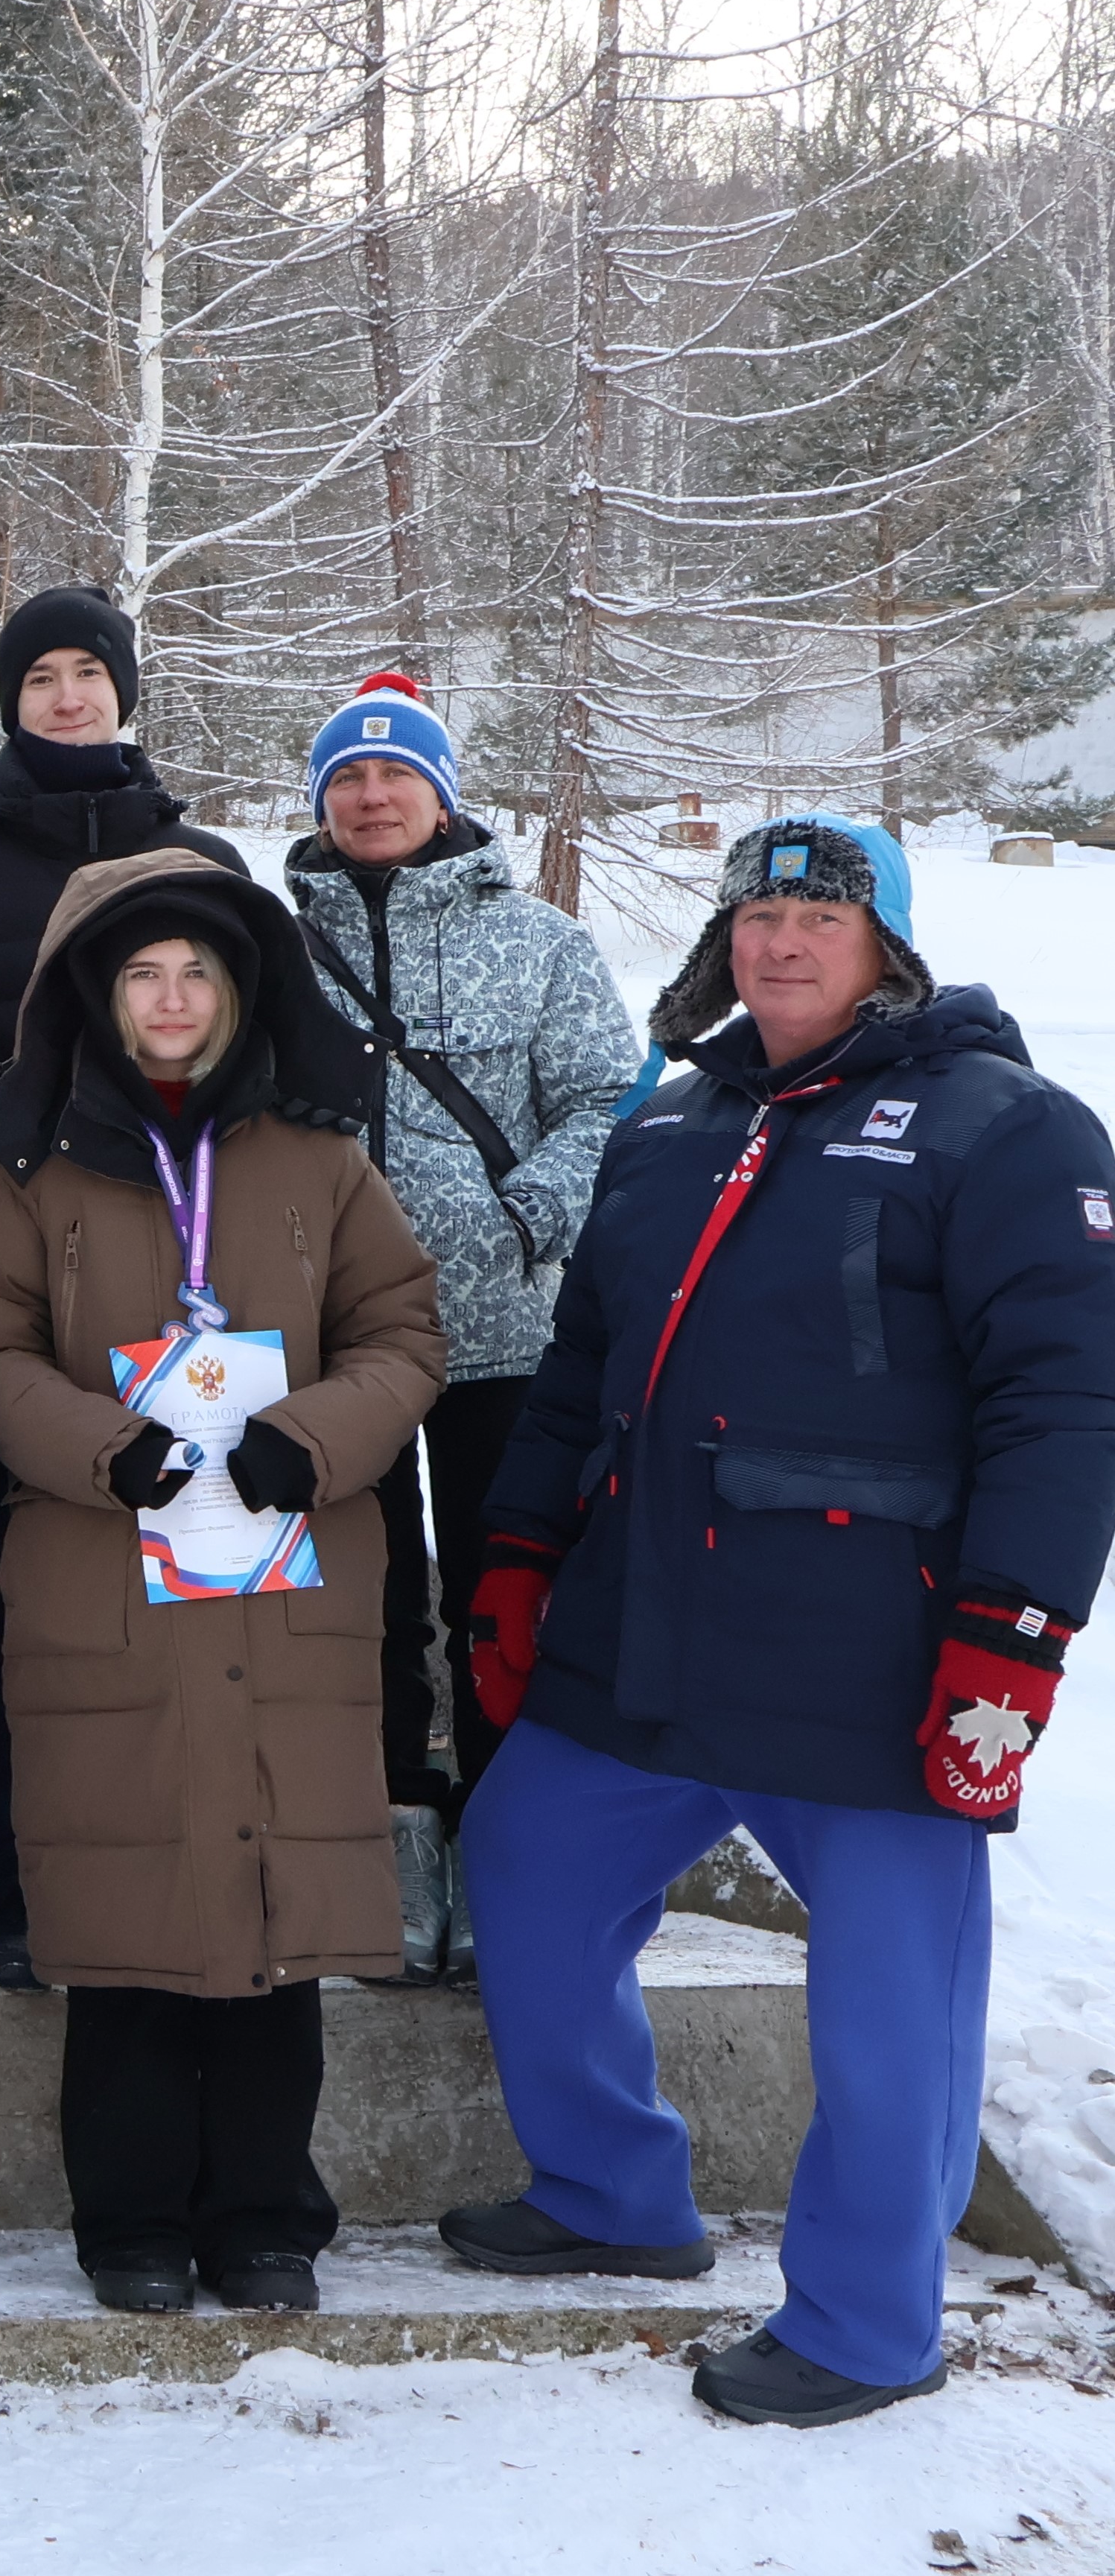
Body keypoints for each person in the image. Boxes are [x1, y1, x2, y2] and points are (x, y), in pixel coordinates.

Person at [439, 818, 1115, 2430]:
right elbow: (575, 1370)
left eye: (818, 912)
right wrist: (519, 1554)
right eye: (755, 912)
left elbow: (1067, 1401)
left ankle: (869, 2323)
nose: (778, 941)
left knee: (887, 2001)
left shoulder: (1006, 1127)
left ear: (883, 941)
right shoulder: (667, 1124)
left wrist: (1008, 1635)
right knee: (523, 1866)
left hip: (865, 1661)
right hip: (641, 1635)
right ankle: (609, 2190)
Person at [0, 848, 442, 2319]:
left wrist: (309, 1434)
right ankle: (130, 2220)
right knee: (126, 1928)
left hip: (284, 1593)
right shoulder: (32, 1175)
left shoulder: (319, 1161)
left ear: (236, 993)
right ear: (101, 996)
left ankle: (264, 2215)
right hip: (109, 1588)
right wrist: (102, 1446)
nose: (168, 998)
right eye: (142, 973)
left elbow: (399, 1334)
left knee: (276, 1924)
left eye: (196, 972)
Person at [0, 582, 241, 1989]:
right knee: (13, 1579)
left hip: (184, 1264)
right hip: (10, 1257)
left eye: (89, 673)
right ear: (7, 701)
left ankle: (180, 1853)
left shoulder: (199, 862)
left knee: (175, 1572)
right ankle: (12, 1878)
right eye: (41, 679)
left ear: (124, 690)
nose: (68, 696)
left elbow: (241, 1053)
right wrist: (5, 1170)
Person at [279, 673, 637, 1981]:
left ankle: (506, 1848)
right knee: (358, 1604)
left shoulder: (536, 939)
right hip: (335, 1356)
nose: (373, 796)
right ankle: (383, 1841)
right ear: (320, 800)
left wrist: (527, 1220)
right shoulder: (271, 943)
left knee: (503, 1591)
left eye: (397, 775)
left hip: (502, 1340)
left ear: (442, 794)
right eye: (348, 778)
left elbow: (608, 1103)